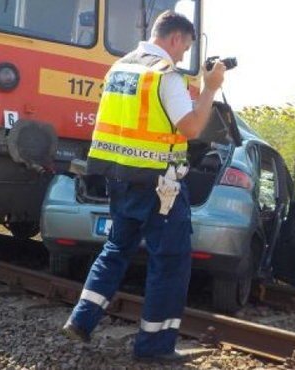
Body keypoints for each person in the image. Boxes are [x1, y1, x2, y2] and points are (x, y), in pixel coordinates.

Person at [60, 10, 226, 364]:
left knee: (117, 247)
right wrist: (210, 89)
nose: (182, 56)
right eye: (185, 48)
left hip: (120, 178)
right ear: (176, 38)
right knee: (170, 261)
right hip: (158, 185)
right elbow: (192, 127)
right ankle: (154, 346)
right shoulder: (164, 76)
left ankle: (82, 319)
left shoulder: (119, 68)